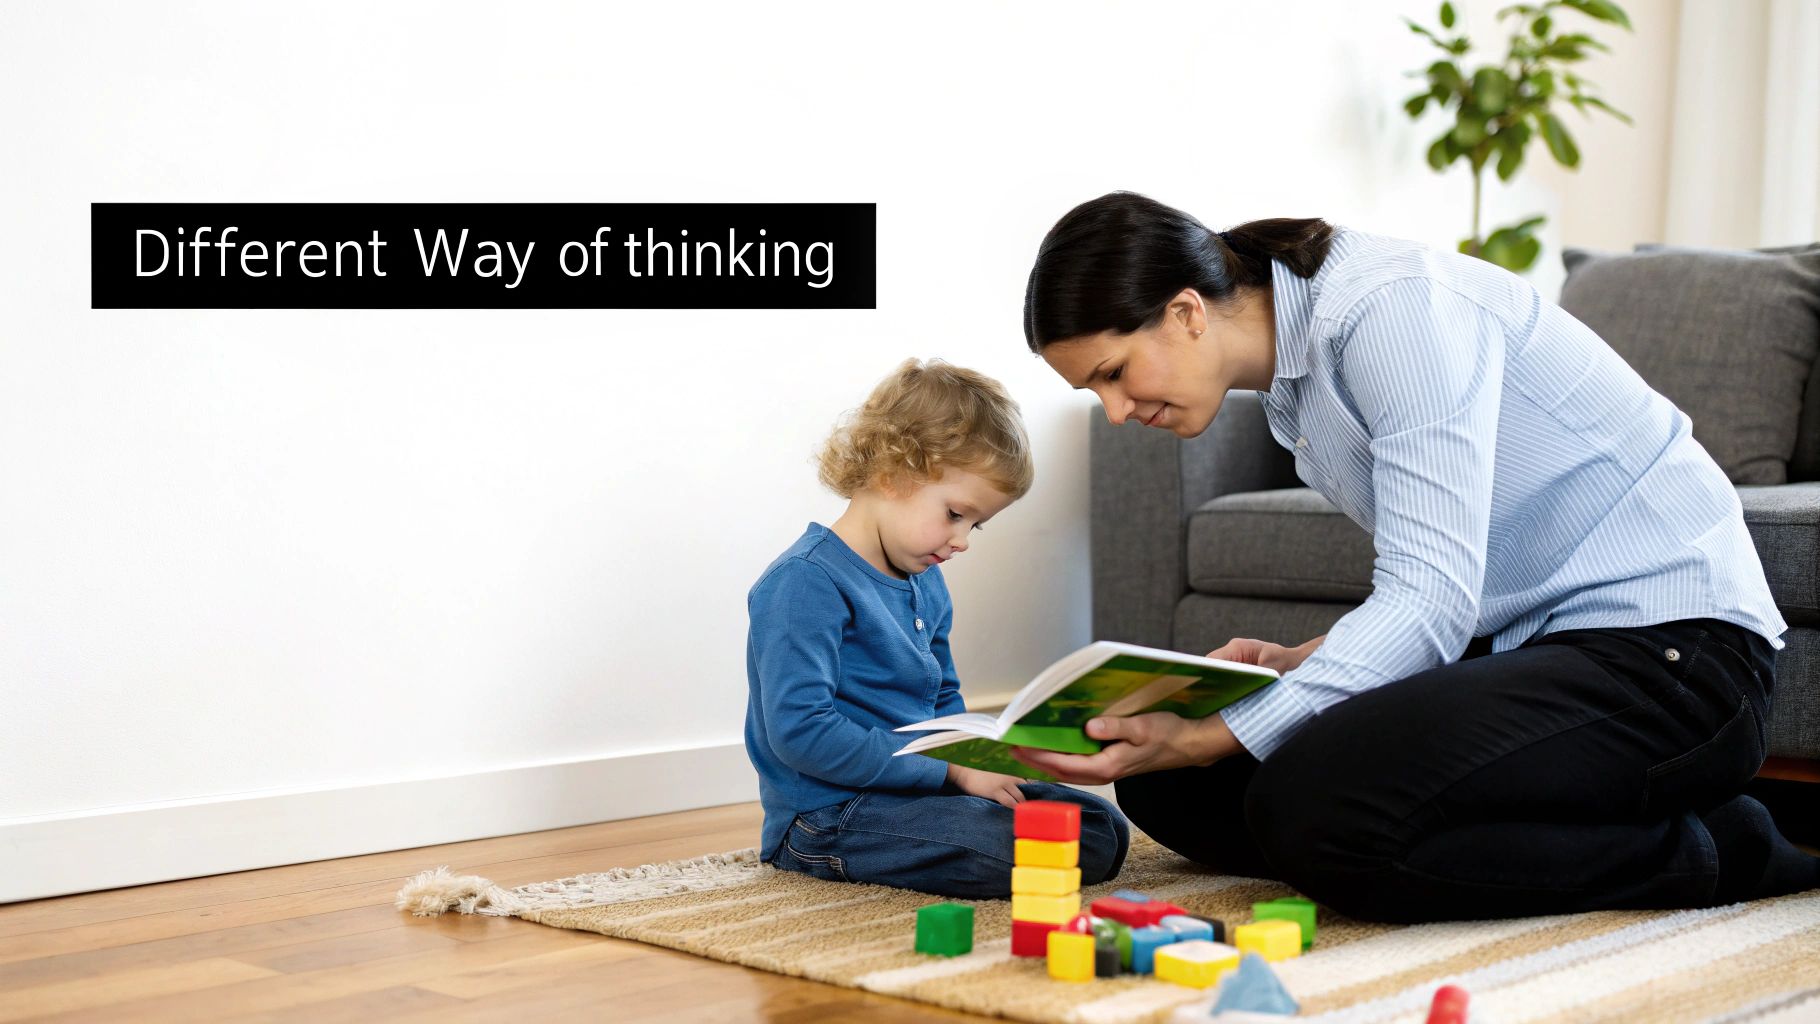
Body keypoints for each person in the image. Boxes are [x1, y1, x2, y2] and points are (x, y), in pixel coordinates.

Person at [1014, 191, 1818, 922]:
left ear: (1186, 310)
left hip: (1676, 662)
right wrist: (1302, 662)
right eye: (1095, 391)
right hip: (1534, 647)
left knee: (1310, 808)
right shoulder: (1295, 385)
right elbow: (1448, 577)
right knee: (1169, 782)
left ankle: (1719, 845)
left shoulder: (1389, 310)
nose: (1115, 410)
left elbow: (1431, 600)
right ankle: (1461, 828)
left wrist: (1224, 729)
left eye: (1114, 373)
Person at [744, 357, 1129, 898]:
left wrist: (979, 758)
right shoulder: (804, 582)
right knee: (1003, 845)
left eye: (976, 525)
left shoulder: (926, 580)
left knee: (1100, 825)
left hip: (919, 789)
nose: (962, 541)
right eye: (954, 514)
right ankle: (839, 853)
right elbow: (801, 733)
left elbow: (942, 694)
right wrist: (951, 773)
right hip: (827, 814)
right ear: (891, 473)